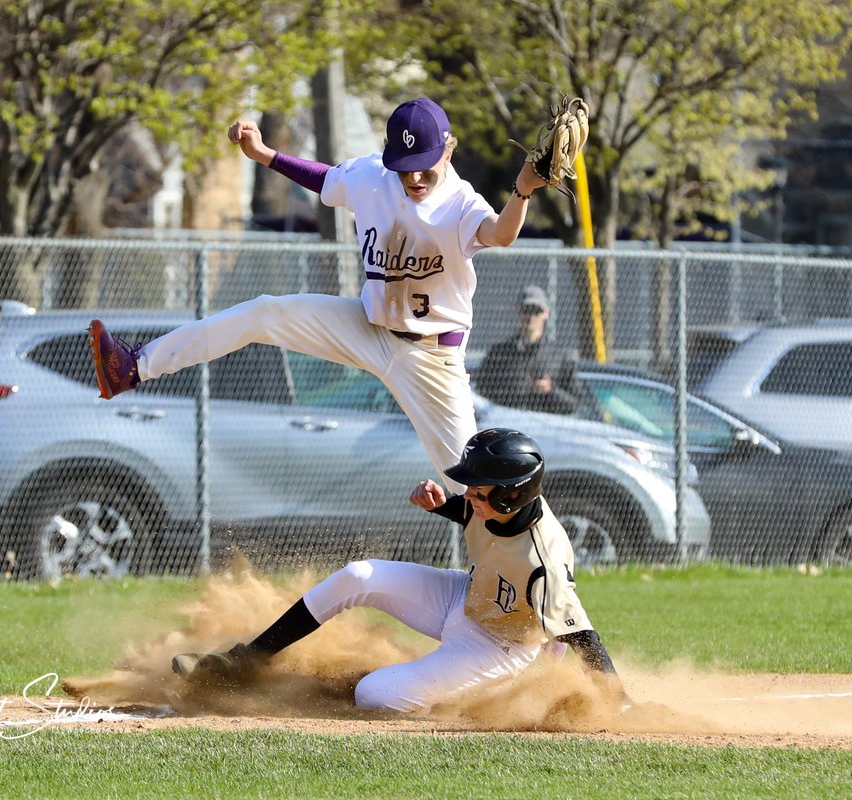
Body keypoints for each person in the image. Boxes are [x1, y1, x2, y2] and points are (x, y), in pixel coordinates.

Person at [87, 98, 550, 492]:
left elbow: (500, 234)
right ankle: (132, 368)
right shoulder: (374, 175)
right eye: (405, 169)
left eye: (425, 168)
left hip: (432, 359)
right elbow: (326, 180)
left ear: (449, 150)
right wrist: (266, 154)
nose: (415, 180)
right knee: (265, 313)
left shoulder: (460, 202)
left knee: (474, 485)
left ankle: (516, 578)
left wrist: (522, 191)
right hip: (369, 328)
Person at [170, 428, 628, 714]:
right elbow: (481, 524)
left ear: (510, 497)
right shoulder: (498, 509)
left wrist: (617, 703)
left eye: (479, 490)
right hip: (465, 595)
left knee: (375, 696)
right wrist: (444, 505)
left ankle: (483, 692)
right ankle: (245, 659)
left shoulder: (542, 563)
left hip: (500, 646)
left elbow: (582, 634)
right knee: (358, 576)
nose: (469, 494)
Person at [476, 285, 583, 415]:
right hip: (507, 426)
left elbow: (574, 404)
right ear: (518, 311)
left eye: (536, 311)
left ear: (546, 313)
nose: (531, 317)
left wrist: (550, 390)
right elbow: (481, 394)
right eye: (527, 310)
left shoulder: (559, 358)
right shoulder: (499, 354)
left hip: (544, 429)